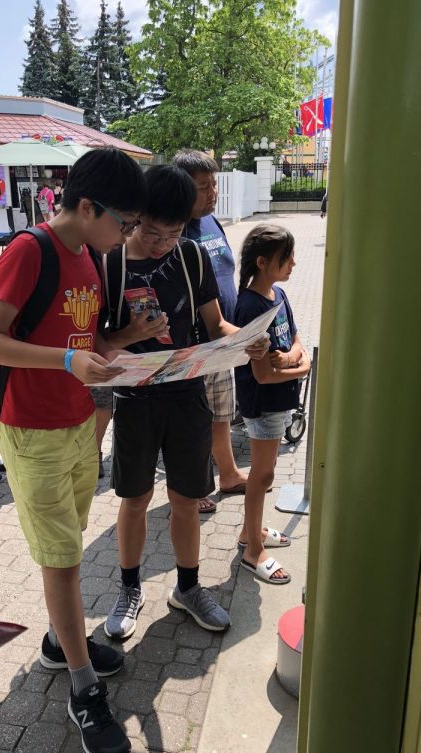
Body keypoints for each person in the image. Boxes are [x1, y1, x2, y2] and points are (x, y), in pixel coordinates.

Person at [0, 147, 146, 753]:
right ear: (89, 206)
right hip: (33, 431)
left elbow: (83, 340)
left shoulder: (89, 258)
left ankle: (58, 641)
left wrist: (127, 343)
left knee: (66, 546)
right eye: (125, 223)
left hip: (77, 424)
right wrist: (68, 361)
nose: (127, 236)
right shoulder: (30, 250)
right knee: (64, 563)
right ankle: (82, 687)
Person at [100, 165, 269, 641]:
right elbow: (98, 343)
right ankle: (129, 589)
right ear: (136, 219)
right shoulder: (112, 264)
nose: (162, 244)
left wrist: (247, 340)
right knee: (135, 499)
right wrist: (132, 334)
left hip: (187, 394)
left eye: (173, 234)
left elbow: (215, 326)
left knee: (187, 499)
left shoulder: (191, 256)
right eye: (153, 233)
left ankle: (188, 588)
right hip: (135, 398)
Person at [172, 149, 249, 511]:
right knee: (194, 421)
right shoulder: (174, 232)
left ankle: (229, 474)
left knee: (221, 413)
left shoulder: (210, 222)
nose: (213, 192)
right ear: (182, 189)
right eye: (204, 187)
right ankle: (193, 483)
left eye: (214, 184)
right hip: (194, 347)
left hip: (221, 341)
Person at [234, 225, 311, 584]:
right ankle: (253, 550)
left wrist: (294, 358)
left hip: (279, 400)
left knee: (266, 472)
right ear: (263, 262)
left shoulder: (278, 293)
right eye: (286, 257)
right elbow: (263, 375)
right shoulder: (250, 306)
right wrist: (302, 368)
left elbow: (295, 339)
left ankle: (250, 531)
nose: (293, 263)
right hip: (263, 404)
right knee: (262, 477)